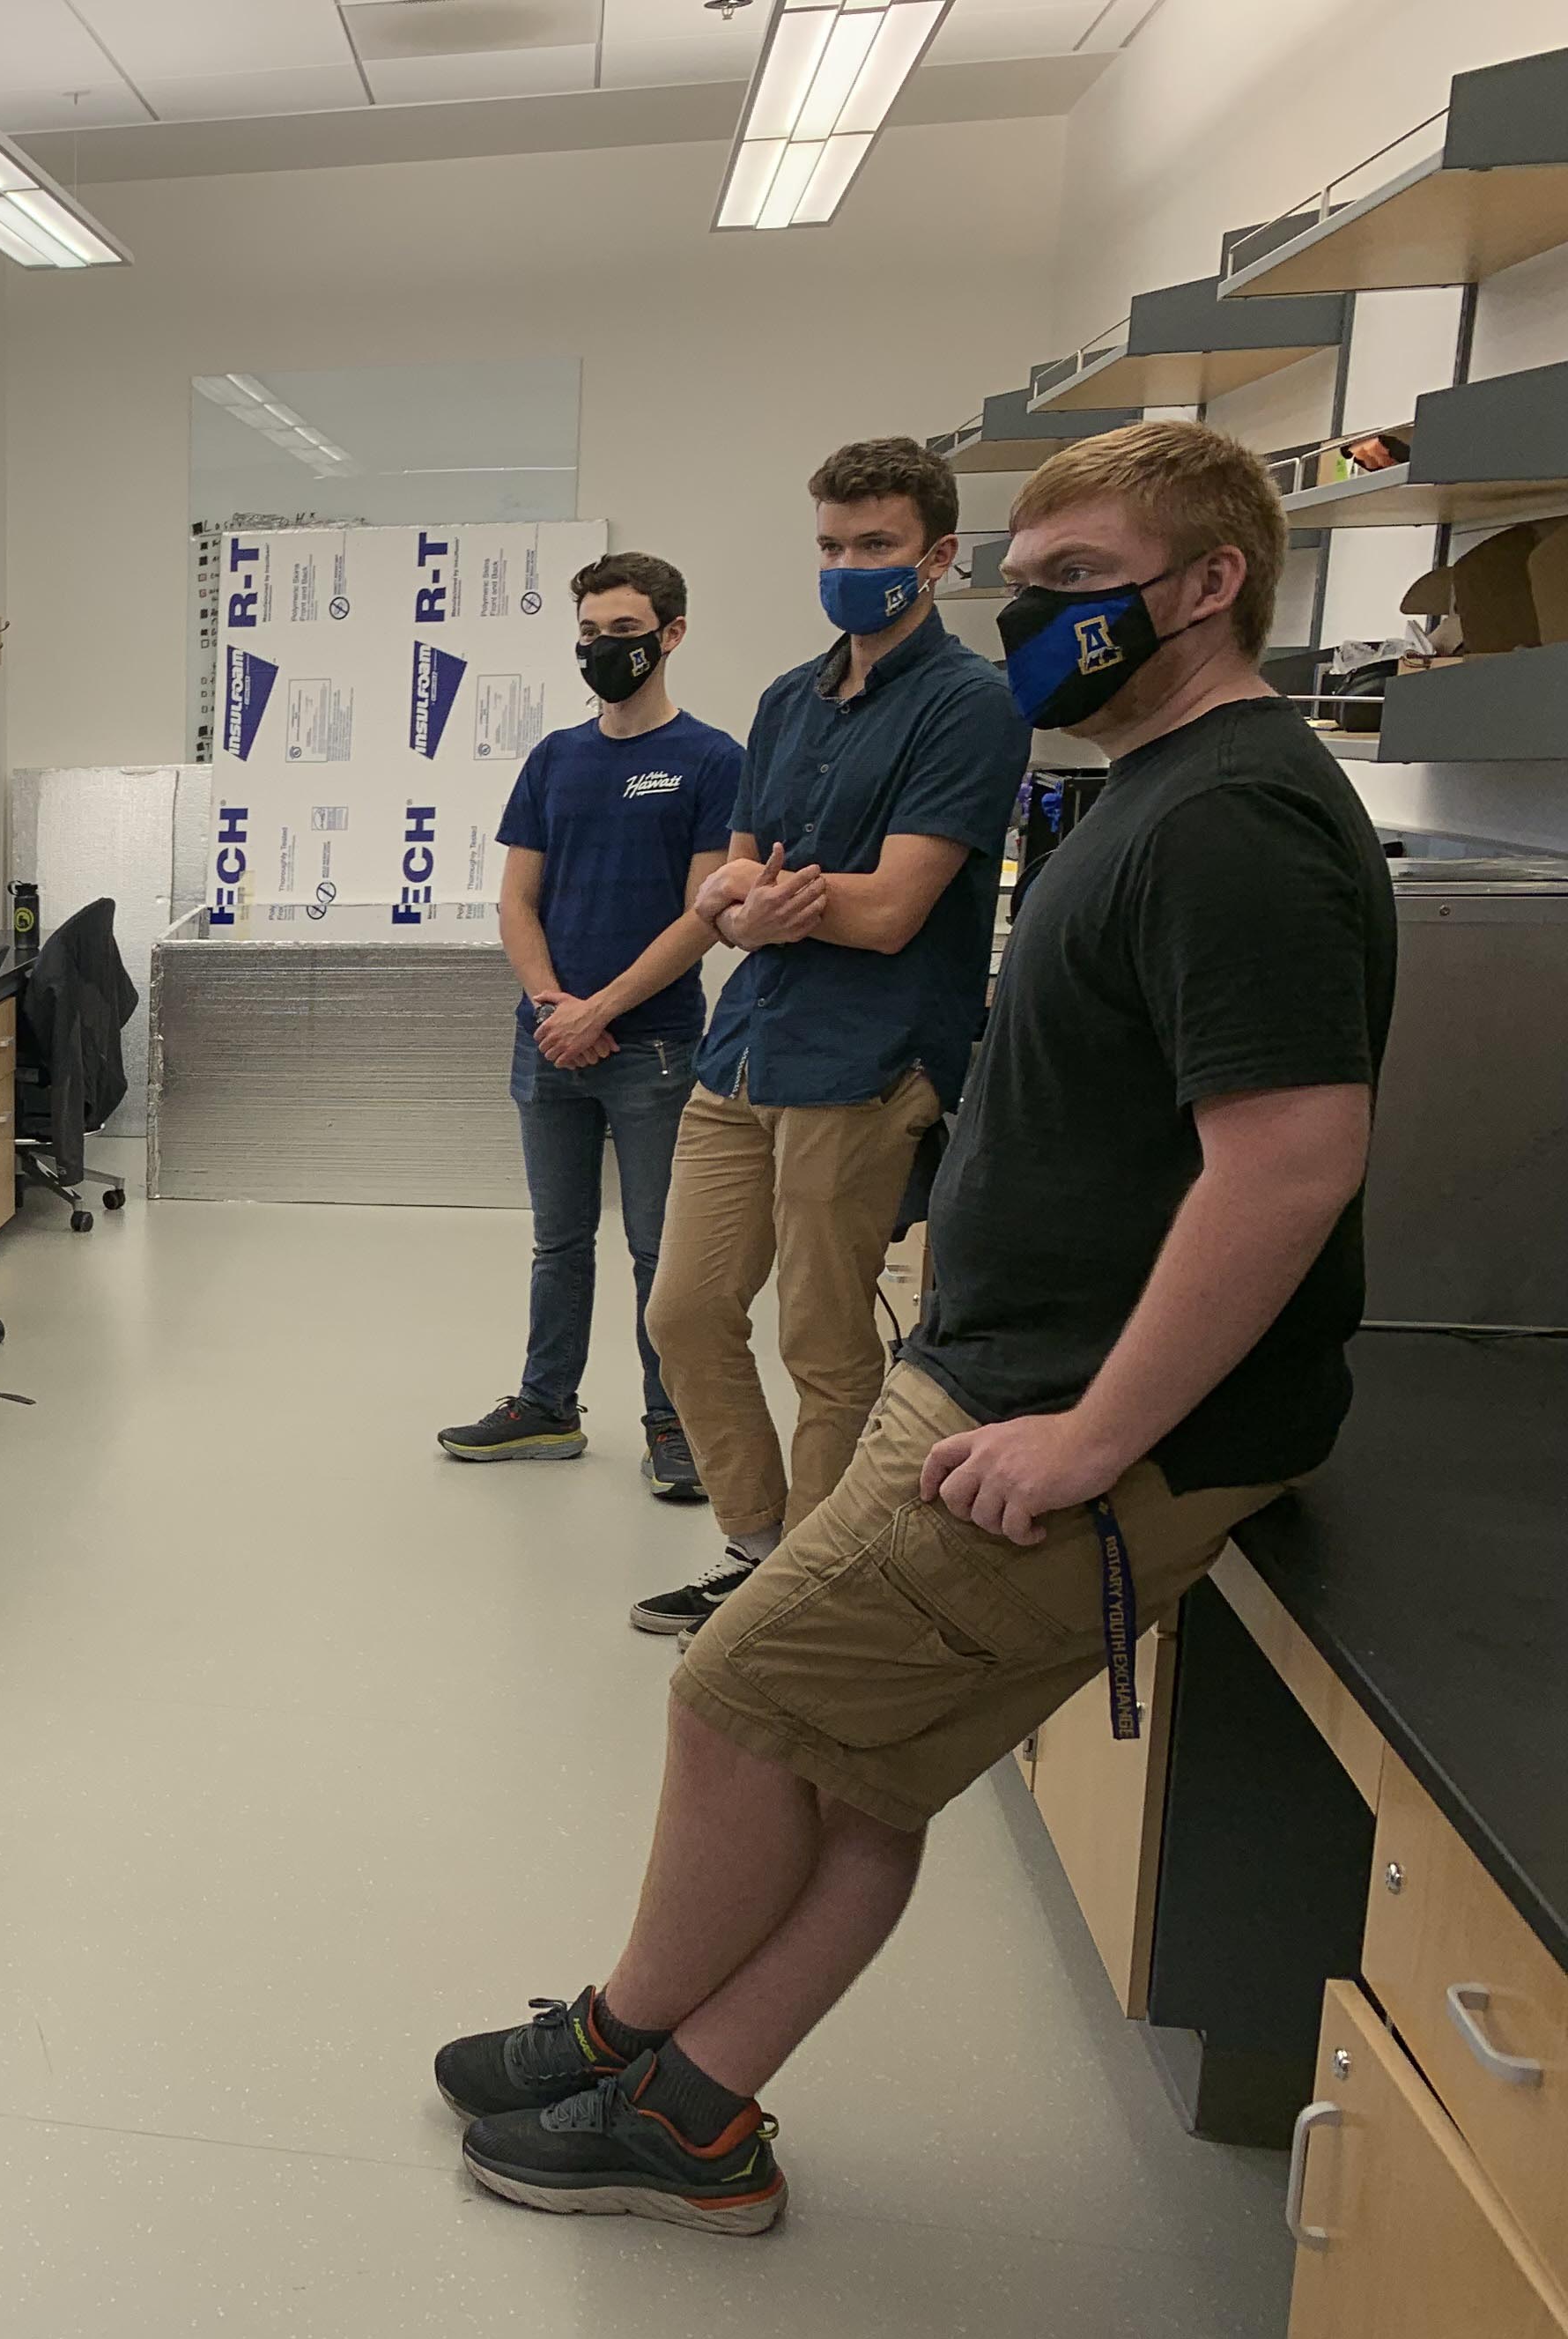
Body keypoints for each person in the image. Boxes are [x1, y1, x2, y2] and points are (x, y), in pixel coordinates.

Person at [436, 423, 1393, 2236]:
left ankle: (631, 2038)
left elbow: (1287, 1161)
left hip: (1067, 1417)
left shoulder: (1237, 818)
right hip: (997, 1368)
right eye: (1026, 583)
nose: (1035, 617)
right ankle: (691, 2106)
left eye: (1079, 582)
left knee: (736, 1697)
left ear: (1212, 584)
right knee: (859, 1769)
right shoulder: (1154, 784)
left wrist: (1094, 1437)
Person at [631, 438, 1032, 1638]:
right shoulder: (786, 700)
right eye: (831, 546)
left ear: (938, 557)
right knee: (684, 1312)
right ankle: (761, 1546)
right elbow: (731, 888)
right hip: (747, 1048)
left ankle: (810, 1594)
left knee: (822, 1336)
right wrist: (753, 905)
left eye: (876, 546)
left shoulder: (970, 705)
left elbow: (894, 908)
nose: (849, 568)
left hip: (866, 1062)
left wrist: (760, 903)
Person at [438, 551, 739, 1499]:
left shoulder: (712, 760)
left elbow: (704, 915)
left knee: (660, 1251)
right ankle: (546, 1407)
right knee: (558, 1242)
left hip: (654, 1046)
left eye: (624, 632)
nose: (603, 648)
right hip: (548, 1041)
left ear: (670, 635)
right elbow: (516, 901)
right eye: (590, 632)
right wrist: (553, 1008)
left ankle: (673, 1423)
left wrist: (600, 1010)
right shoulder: (554, 759)